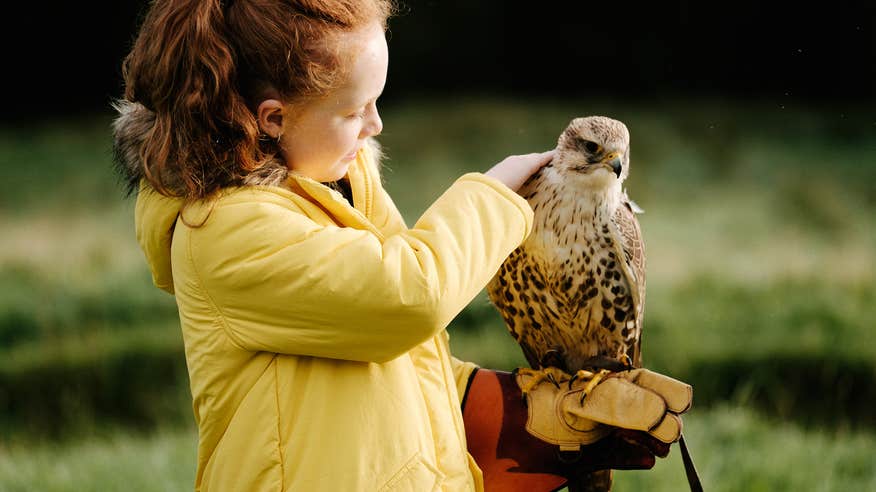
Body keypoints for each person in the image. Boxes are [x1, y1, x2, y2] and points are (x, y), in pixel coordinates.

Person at [113, 1, 690, 491]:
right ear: (272, 118)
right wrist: (491, 194)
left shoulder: (341, 187)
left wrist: (514, 410)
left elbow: (402, 359)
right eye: (355, 109)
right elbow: (407, 300)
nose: (376, 125)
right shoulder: (223, 231)